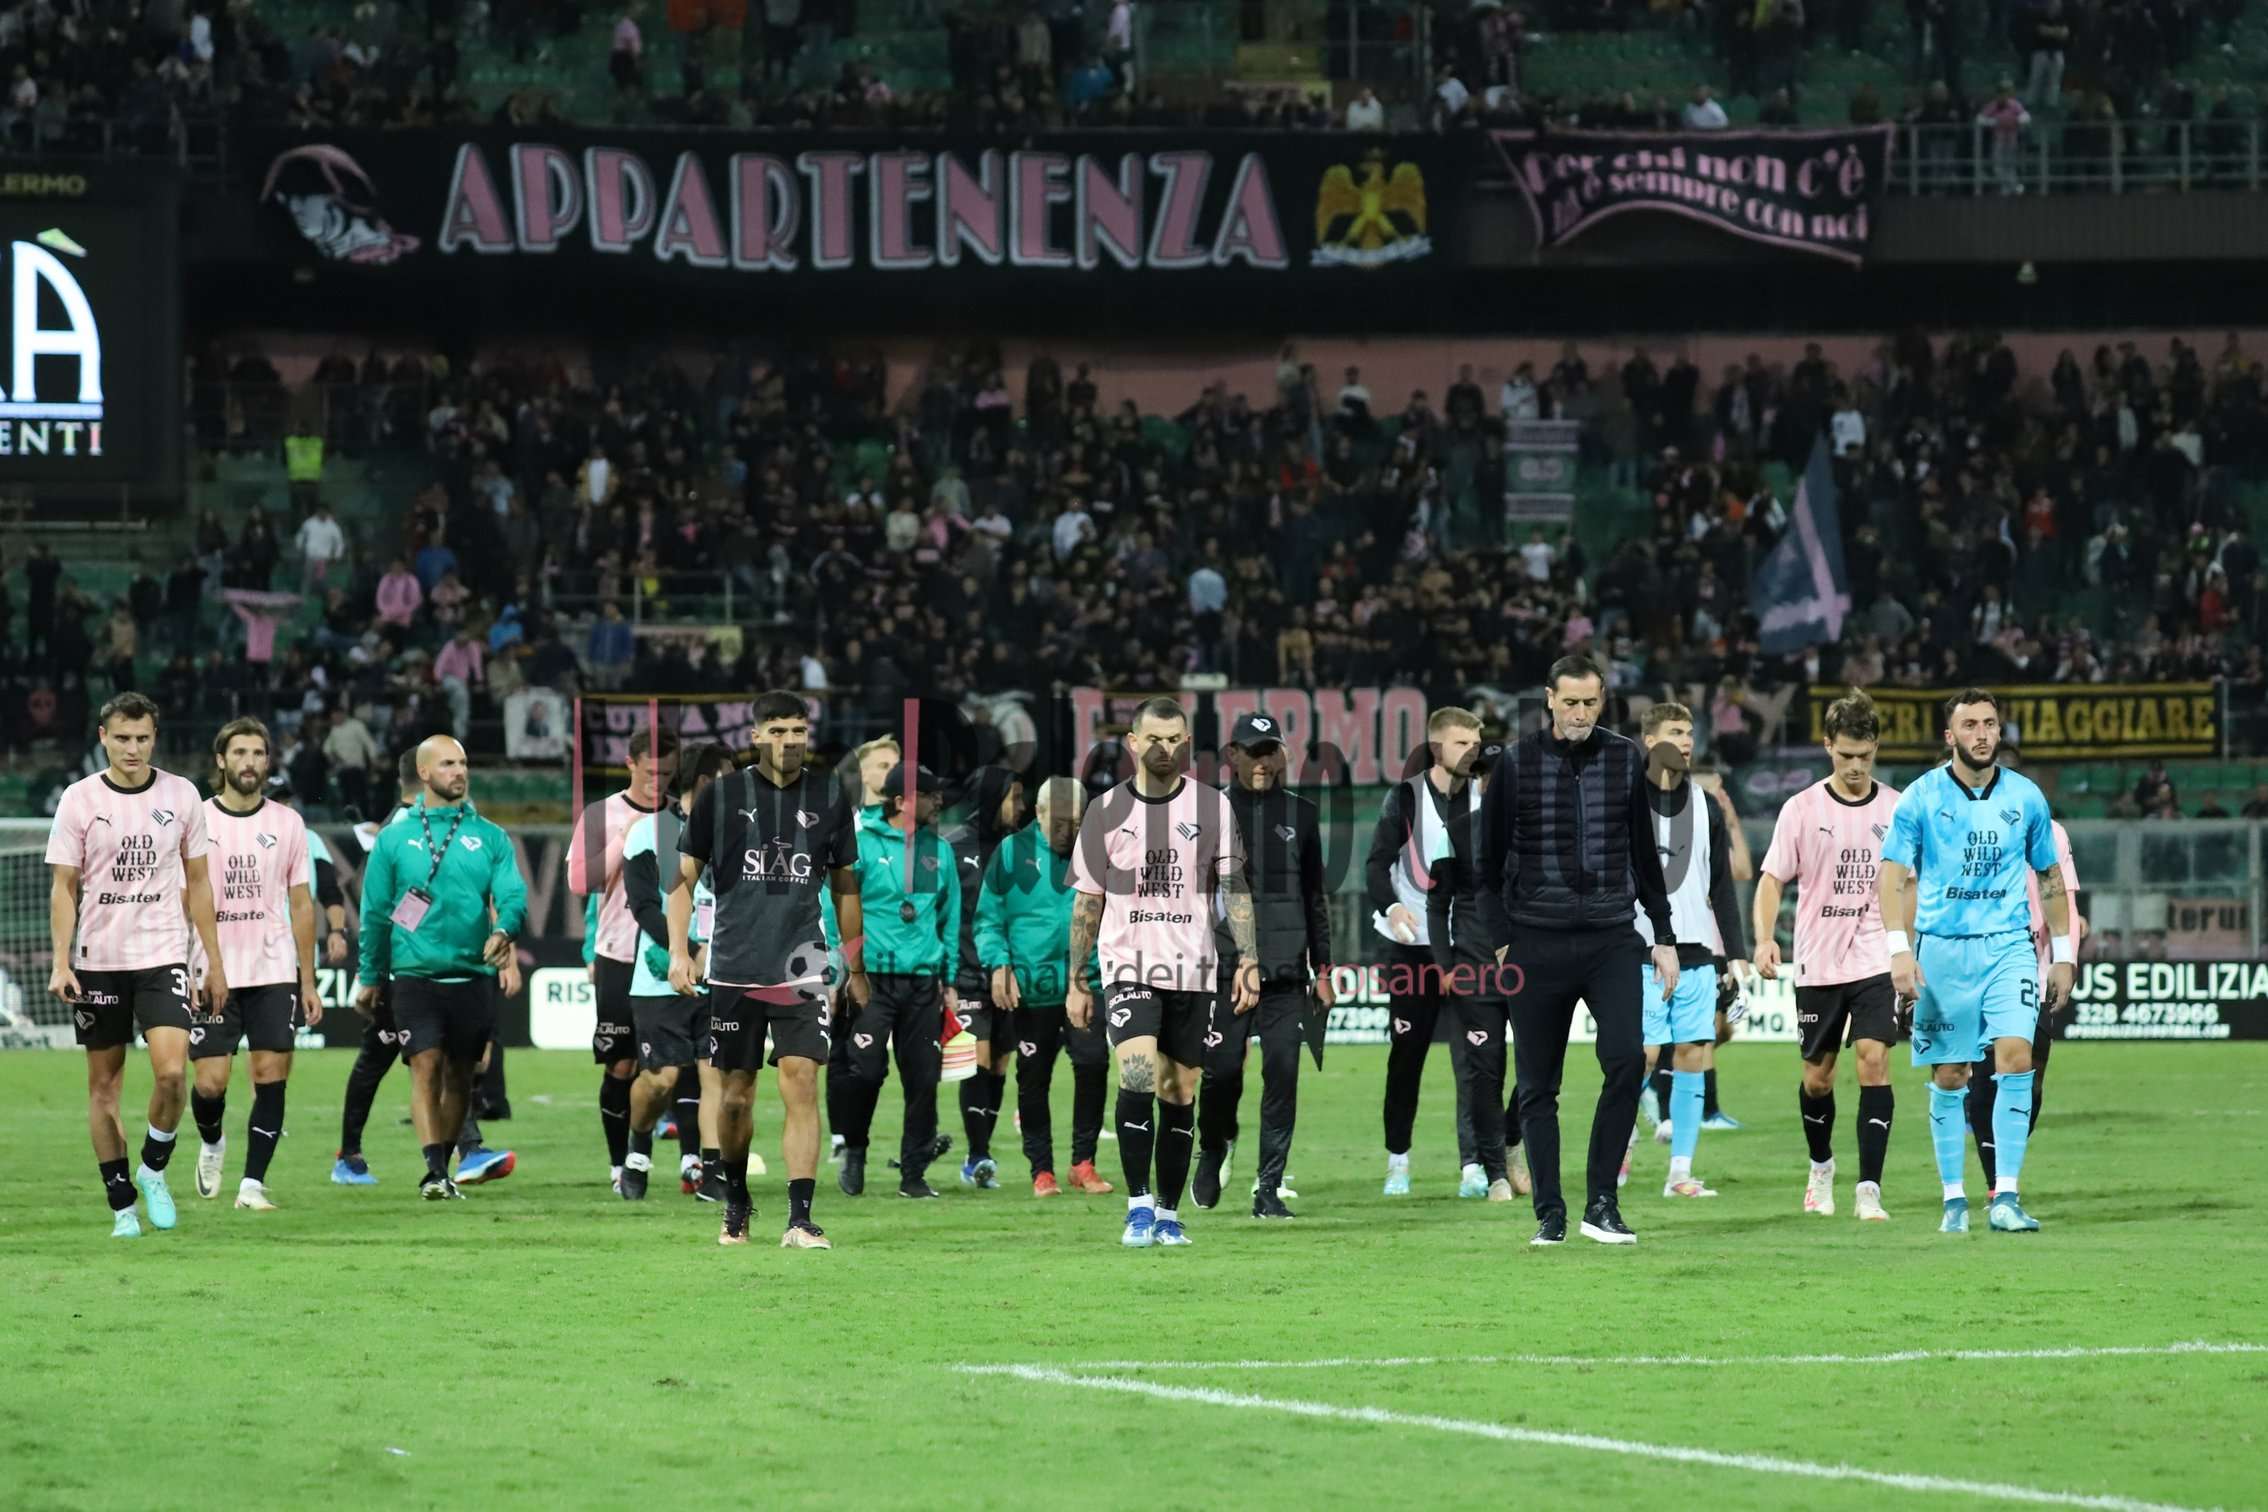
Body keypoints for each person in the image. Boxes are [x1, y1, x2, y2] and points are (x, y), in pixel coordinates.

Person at [1480, 655, 1679, 1247]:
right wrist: (1501, 943)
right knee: (1539, 1085)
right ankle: (1551, 1213)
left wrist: (1663, 935)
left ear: (1603, 701)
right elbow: (1485, 866)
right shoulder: (1515, 765)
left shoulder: (1624, 759)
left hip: (1611, 937)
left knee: (1626, 1062)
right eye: (1570, 702)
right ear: (1549, 699)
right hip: (1534, 942)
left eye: (1591, 702)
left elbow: (1644, 856)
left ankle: (1601, 1204)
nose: (1580, 713)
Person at [1878, 689, 2074, 1235]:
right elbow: (1891, 877)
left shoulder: (2027, 798)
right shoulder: (1919, 798)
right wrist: (1899, 950)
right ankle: (1952, 1200)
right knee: (1951, 1073)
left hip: (2009, 945)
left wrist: (2062, 955)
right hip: (1942, 949)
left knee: (2016, 1056)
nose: (1982, 734)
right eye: (1970, 725)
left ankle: (2005, 1197)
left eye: (1990, 724)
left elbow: (2051, 879)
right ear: (1950, 736)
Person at [1066, 697, 1255, 1249]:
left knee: (1179, 1090)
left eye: (1175, 739)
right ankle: (1137, 1206)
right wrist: (1078, 976)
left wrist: (1247, 958)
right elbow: (1086, 902)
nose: (1165, 749)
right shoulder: (1104, 811)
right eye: (1154, 738)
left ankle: (1170, 1213)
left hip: (1193, 968)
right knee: (1138, 1074)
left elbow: (1234, 889)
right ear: (1132, 742)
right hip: (1128, 963)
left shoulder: (1213, 808)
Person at [668, 690, 853, 1250]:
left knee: (801, 1080)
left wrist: (855, 962)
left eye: (798, 730)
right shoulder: (721, 797)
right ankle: (737, 1200)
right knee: (734, 1097)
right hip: (734, 968)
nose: (790, 740)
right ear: (755, 736)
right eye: (777, 731)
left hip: (803, 968)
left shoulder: (829, 795)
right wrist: (680, 950)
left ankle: (800, 1218)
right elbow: (681, 882)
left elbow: (845, 885)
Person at [46, 692, 229, 1238]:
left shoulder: (182, 795)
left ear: (155, 738)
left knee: (173, 1073)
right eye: (122, 738)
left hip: (161, 954)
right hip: (99, 962)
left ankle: (152, 1169)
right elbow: (63, 887)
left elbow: (198, 882)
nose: (132, 748)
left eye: (142, 738)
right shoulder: (78, 800)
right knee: (103, 1090)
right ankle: (121, 1203)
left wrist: (213, 962)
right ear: (103, 737)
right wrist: (61, 961)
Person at [354, 735, 530, 1200]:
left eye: (464, 762)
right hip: (414, 975)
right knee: (425, 1066)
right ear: (425, 773)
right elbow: (374, 913)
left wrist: (504, 930)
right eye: (449, 763)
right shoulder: (394, 838)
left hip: (473, 975)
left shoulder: (490, 836)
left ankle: (446, 1167)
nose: (460, 771)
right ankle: (434, 1169)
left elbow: (512, 894)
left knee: (460, 1076)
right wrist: (370, 975)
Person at [1198, 712, 1335, 1219]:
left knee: (1282, 1073)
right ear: (1232, 754)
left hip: (1285, 975)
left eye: (1269, 750)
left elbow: (1314, 896)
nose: (1261, 761)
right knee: (1222, 1075)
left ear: (1282, 754)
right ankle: (1216, 1142)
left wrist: (1323, 969)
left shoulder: (1301, 814)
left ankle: (1268, 1188)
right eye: (1252, 751)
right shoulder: (1210, 813)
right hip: (1225, 971)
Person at [185, 718, 321, 1212]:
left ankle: (251, 1184)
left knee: (270, 1072)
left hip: (273, 968)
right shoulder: (195, 819)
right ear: (221, 761)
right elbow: (184, 899)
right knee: (210, 1082)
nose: (249, 762)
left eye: (258, 753)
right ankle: (213, 1141)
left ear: (267, 762)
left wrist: (307, 979)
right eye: (239, 752)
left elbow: (302, 905)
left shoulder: (288, 824)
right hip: (212, 969)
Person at [826, 761, 961, 1201]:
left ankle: (914, 1174)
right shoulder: (860, 842)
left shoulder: (938, 850)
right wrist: (840, 967)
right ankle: (855, 1148)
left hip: (923, 981)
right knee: (864, 1072)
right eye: (929, 794)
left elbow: (950, 917)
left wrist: (951, 978)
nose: (938, 801)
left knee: (923, 1079)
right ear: (902, 800)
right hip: (872, 980)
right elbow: (836, 906)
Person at [1630, 704, 1748, 1200]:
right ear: (1648, 739)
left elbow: (1721, 885)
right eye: (1673, 732)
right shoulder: (1623, 800)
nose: (1684, 741)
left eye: (1688, 733)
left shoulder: (1705, 805)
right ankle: (1618, 1148)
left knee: (1694, 1053)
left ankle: (1680, 1172)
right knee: (1639, 1054)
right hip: (1637, 949)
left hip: (1697, 948)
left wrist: (1736, 953)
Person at [976, 776, 1112, 1198]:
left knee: (1092, 1065)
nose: (1069, 831)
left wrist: (1092, 975)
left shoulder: (1099, 852)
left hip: (1086, 984)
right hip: (1032, 989)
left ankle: (1083, 1163)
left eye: (1077, 821)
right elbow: (988, 918)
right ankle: (1041, 1170)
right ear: (1037, 814)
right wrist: (998, 962)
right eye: (1060, 822)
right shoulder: (1011, 853)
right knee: (1033, 1079)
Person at [1366, 706, 1483, 1197]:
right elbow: (1376, 865)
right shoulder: (1407, 797)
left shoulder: (1484, 797)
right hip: (1412, 947)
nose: (1472, 751)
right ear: (1437, 748)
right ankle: (1398, 1160)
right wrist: (1393, 908)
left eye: (1476, 742)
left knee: (1476, 1058)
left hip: (1468, 946)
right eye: (1462, 743)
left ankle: (1475, 1164)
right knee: (1407, 1057)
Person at [617, 743, 739, 1200]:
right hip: (660, 977)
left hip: (722, 976)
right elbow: (645, 905)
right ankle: (638, 1144)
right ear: (704, 783)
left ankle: (712, 1176)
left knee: (716, 1075)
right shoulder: (649, 832)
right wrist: (686, 951)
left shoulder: (737, 837)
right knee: (661, 1078)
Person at [567, 725, 678, 1193]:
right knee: (622, 1065)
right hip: (617, 953)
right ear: (630, 764)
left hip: (671, 955)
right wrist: (626, 839)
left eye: (669, 773)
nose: (660, 781)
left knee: (679, 1064)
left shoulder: (681, 816)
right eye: (652, 771)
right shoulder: (602, 814)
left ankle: (687, 1162)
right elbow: (579, 882)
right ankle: (620, 1165)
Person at [1423, 738, 1531, 1204]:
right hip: (1475, 972)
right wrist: (1444, 964)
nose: (1490, 781)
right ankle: (1496, 1174)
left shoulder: (1539, 832)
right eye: (1483, 774)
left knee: (1539, 1073)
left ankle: (1510, 1141)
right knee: (1484, 1077)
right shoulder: (1459, 829)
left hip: (1531, 972)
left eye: (1498, 772)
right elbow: (1437, 902)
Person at [1968, 799, 2083, 1191]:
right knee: (1985, 1074)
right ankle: (1997, 1184)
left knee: (2029, 1078)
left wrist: (2064, 960)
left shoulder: (2051, 833)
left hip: (2037, 967)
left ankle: (2005, 1161)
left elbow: (2064, 902)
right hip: (1982, 963)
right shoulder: (1966, 826)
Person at [945, 766, 1027, 1190]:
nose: (1022, 805)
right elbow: (944, 910)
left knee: (999, 1062)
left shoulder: (1020, 848)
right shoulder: (954, 846)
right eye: (1014, 796)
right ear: (993, 797)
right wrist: (948, 974)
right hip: (968, 969)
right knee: (976, 1059)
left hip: (1009, 971)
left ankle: (982, 1151)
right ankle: (977, 1156)